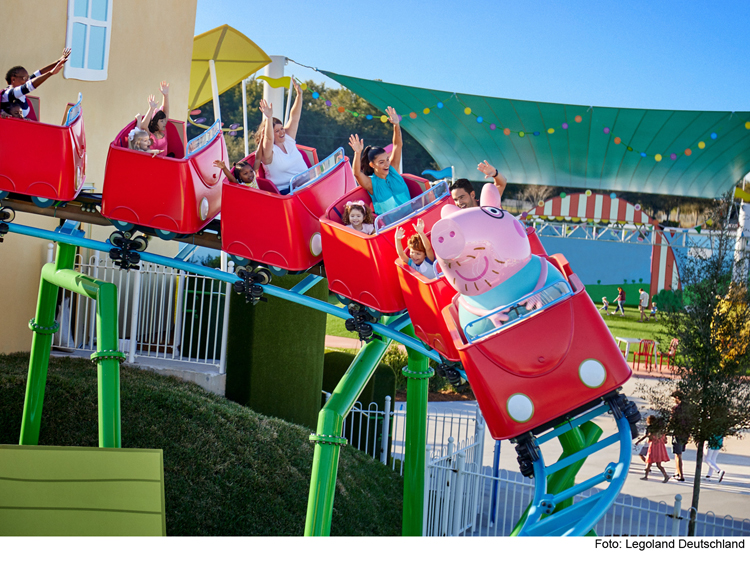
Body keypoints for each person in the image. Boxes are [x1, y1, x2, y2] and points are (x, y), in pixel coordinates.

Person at [349, 107, 411, 215]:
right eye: (381, 162)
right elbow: (357, 173)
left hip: (412, 219)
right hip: (392, 228)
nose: (387, 164)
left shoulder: (393, 170)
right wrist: (357, 153)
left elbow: (397, 145)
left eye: (387, 159)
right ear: (372, 165)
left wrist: (396, 125)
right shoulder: (371, 184)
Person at [258, 79, 308, 193]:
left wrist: (299, 95)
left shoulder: (288, 140)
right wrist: (268, 118)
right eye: (277, 131)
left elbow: (294, 118)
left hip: (306, 184)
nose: (282, 132)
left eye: (282, 129)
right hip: (287, 192)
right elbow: (269, 139)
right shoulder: (269, 152)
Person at [2, 48, 71, 119]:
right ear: (13, 79)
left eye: (27, 78)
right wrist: (50, 73)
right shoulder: (9, 94)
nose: (27, 80)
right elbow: (28, 86)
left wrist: (59, 61)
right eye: (24, 78)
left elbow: (39, 73)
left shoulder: (20, 93)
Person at [636, 415, 671, 483]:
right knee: (658, 464)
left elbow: (648, 437)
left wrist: (638, 441)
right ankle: (665, 476)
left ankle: (646, 476)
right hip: (660, 447)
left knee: (649, 461)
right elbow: (664, 438)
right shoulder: (659, 429)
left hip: (653, 446)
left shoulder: (650, 428)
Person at [146, 82, 170, 155]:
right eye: (161, 121)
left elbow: (166, 111)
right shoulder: (149, 134)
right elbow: (144, 124)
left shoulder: (163, 130)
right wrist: (151, 109)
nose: (164, 123)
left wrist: (165, 96)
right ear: (155, 122)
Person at [670, 391, 689, 482]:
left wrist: (666, 431)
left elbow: (672, 421)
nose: (673, 401)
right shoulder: (688, 407)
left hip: (678, 433)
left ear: (677, 397)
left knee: (678, 455)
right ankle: (677, 472)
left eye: (673, 399)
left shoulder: (676, 409)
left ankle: (681, 475)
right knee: (679, 453)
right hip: (685, 433)